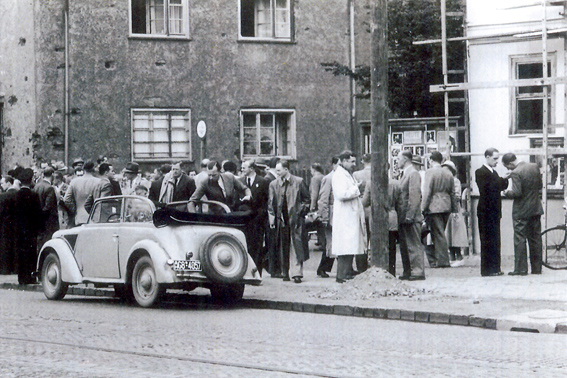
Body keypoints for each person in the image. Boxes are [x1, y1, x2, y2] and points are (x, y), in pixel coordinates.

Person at [268, 160, 310, 283]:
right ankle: (285, 272)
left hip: (295, 219)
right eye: (276, 170)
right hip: (282, 220)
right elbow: (271, 204)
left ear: (286, 169)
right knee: (283, 246)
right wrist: (272, 220)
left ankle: (297, 274)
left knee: (296, 246)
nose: (277, 172)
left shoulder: (298, 182)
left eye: (279, 170)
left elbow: (307, 199)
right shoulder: (273, 184)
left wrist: (300, 212)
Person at [502, 153, 543, 276]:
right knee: (535, 239)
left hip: (521, 211)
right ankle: (537, 268)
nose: (509, 170)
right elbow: (540, 186)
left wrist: (506, 192)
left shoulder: (516, 172)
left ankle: (521, 269)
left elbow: (517, 193)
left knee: (520, 239)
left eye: (507, 167)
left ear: (510, 163)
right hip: (535, 208)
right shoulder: (534, 166)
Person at [332, 150, 367, 283]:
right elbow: (341, 194)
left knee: (350, 245)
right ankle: (341, 274)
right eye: (352, 161)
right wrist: (356, 188)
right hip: (345, 216)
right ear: (344, 161)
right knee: (345, 246)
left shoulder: (346, 174)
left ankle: (347, 272)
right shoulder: (339, 175)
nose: (354, 164)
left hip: (349, 215)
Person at [475, 148, 509, 276]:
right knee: (487, 240)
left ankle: (495, 268)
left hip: (494, 211)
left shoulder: (493, 173)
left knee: (495, 239)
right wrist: (502, 179)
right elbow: (487, 188)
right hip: (485, 212)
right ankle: (487, 269)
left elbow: (500, 186)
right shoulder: (480, 172)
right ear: (487, 157)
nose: (497, 161)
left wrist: (505, 179)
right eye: (495, 158)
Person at [422, 151, 457, 269]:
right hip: (446, 206)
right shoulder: (448, 173)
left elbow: (427, 192)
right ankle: (440, 259)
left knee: (438, 233)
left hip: (434, 206)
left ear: (431, 160)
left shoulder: (430, 172)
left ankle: (442, 260)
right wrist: (454, 208)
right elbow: (453, 192)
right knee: (440, 232)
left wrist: (423, 208)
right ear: (441, 160)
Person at [395, 150, 426, 280]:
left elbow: (414, 196)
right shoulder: (405, 174)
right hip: (403, 216)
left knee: (414, 244)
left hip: (410, 217)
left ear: (406, 159)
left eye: (398, 158)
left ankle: (418, 271)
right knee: (405, 245)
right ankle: (408, 271)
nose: (397, 161)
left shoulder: (413, 174)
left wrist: (410, 215)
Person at [13, 168, 44, 284]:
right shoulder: (33, 195)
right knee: (31, 253)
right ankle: (30, 276)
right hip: (31, 230)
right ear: (30, 180)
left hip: (19, 230)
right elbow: (38, 214)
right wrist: (39, 228)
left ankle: (21, 277)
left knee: (20, 252)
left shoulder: (16, 196)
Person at [239, 160, 269, 272]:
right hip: (244, 219)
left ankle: (257, 272)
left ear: (251, 168)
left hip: (258, 219)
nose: (242, 170)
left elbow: (267, 199)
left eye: (244, 168)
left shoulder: (262, 181)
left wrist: (262, 214)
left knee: (257, 246)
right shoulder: (240, 181)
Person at [316, 156, 339, 278]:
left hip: (339, 216)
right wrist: (324, 217)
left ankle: (325, 268)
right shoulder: (328, 178)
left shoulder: (343, 177)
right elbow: (323, 200)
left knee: (336, 243)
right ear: (334, 165)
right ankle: (322, 268)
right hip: (331, 216)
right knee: (330, 243)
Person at [442, 161, 468, 266]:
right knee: (448, 232)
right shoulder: (443, 180)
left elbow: (457, 195)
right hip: (446, 209)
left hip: (454, 208)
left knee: (455, 232)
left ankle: (458, 254)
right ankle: (451, 254)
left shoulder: (455, 181)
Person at [64, 160, 101, 226]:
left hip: (79, 216)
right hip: (95, 218)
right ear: (93, 169)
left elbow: (66, 199)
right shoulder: (98, 182)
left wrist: (75, 209)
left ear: (84, 169)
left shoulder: (74, 181)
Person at [353, 153, 372, 273]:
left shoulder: (356, 174)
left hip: (361, 206)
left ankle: (361, 266)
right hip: (373, 207)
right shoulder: (376, 173)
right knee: (373, 237)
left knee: (361, 238)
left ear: (363, 162)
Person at [33, 166, 59, 249]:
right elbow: (48, 207)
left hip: (38, 221)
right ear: (52, 175)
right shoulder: (49, 188)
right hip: (48, 223)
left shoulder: (36, 186)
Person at [0, 175, 17, 274]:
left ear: (9, 183)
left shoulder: (3, 196)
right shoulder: (18, 194)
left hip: (5, 226)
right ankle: (15, 268)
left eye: (2, 183)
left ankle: (5, 269)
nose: (1, 185)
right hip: (16, 225)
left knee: (5, 247)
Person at [309, 163, 325, 251]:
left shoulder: (315, 178)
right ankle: (321, 241)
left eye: (311, 170)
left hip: (318, 204)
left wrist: (312, 206)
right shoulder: (323, 176)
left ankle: (322, 242)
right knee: (321, 224)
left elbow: (314, 193)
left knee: (319, 224)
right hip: (323, 203)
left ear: (314, 170)